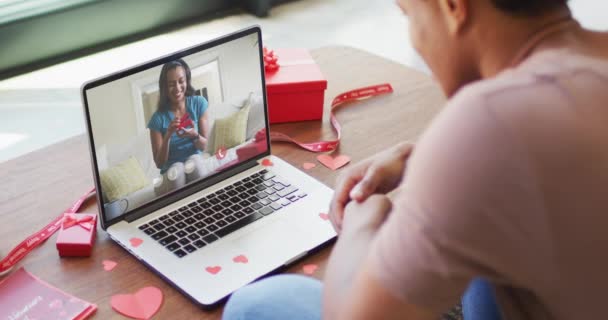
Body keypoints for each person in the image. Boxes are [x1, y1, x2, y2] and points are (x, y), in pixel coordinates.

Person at [223, 0, 608, 319]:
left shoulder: (490, 122)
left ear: (452, 6)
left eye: (409, 14)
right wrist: (425, 156)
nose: (414, 36)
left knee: (254, 305)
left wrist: (363, 218)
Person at [148, 59, 210, 175]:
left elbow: (205, 147)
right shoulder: (157, 119)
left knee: (195, 162)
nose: (177, 88)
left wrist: (194, 135)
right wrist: (168, 136)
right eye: (171, 84)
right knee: (177, 170)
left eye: (181, 81)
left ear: (187, 81)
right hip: (171, 173)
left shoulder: (198, 103)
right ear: (164, 87)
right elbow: (159, 164)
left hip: (194, 163)